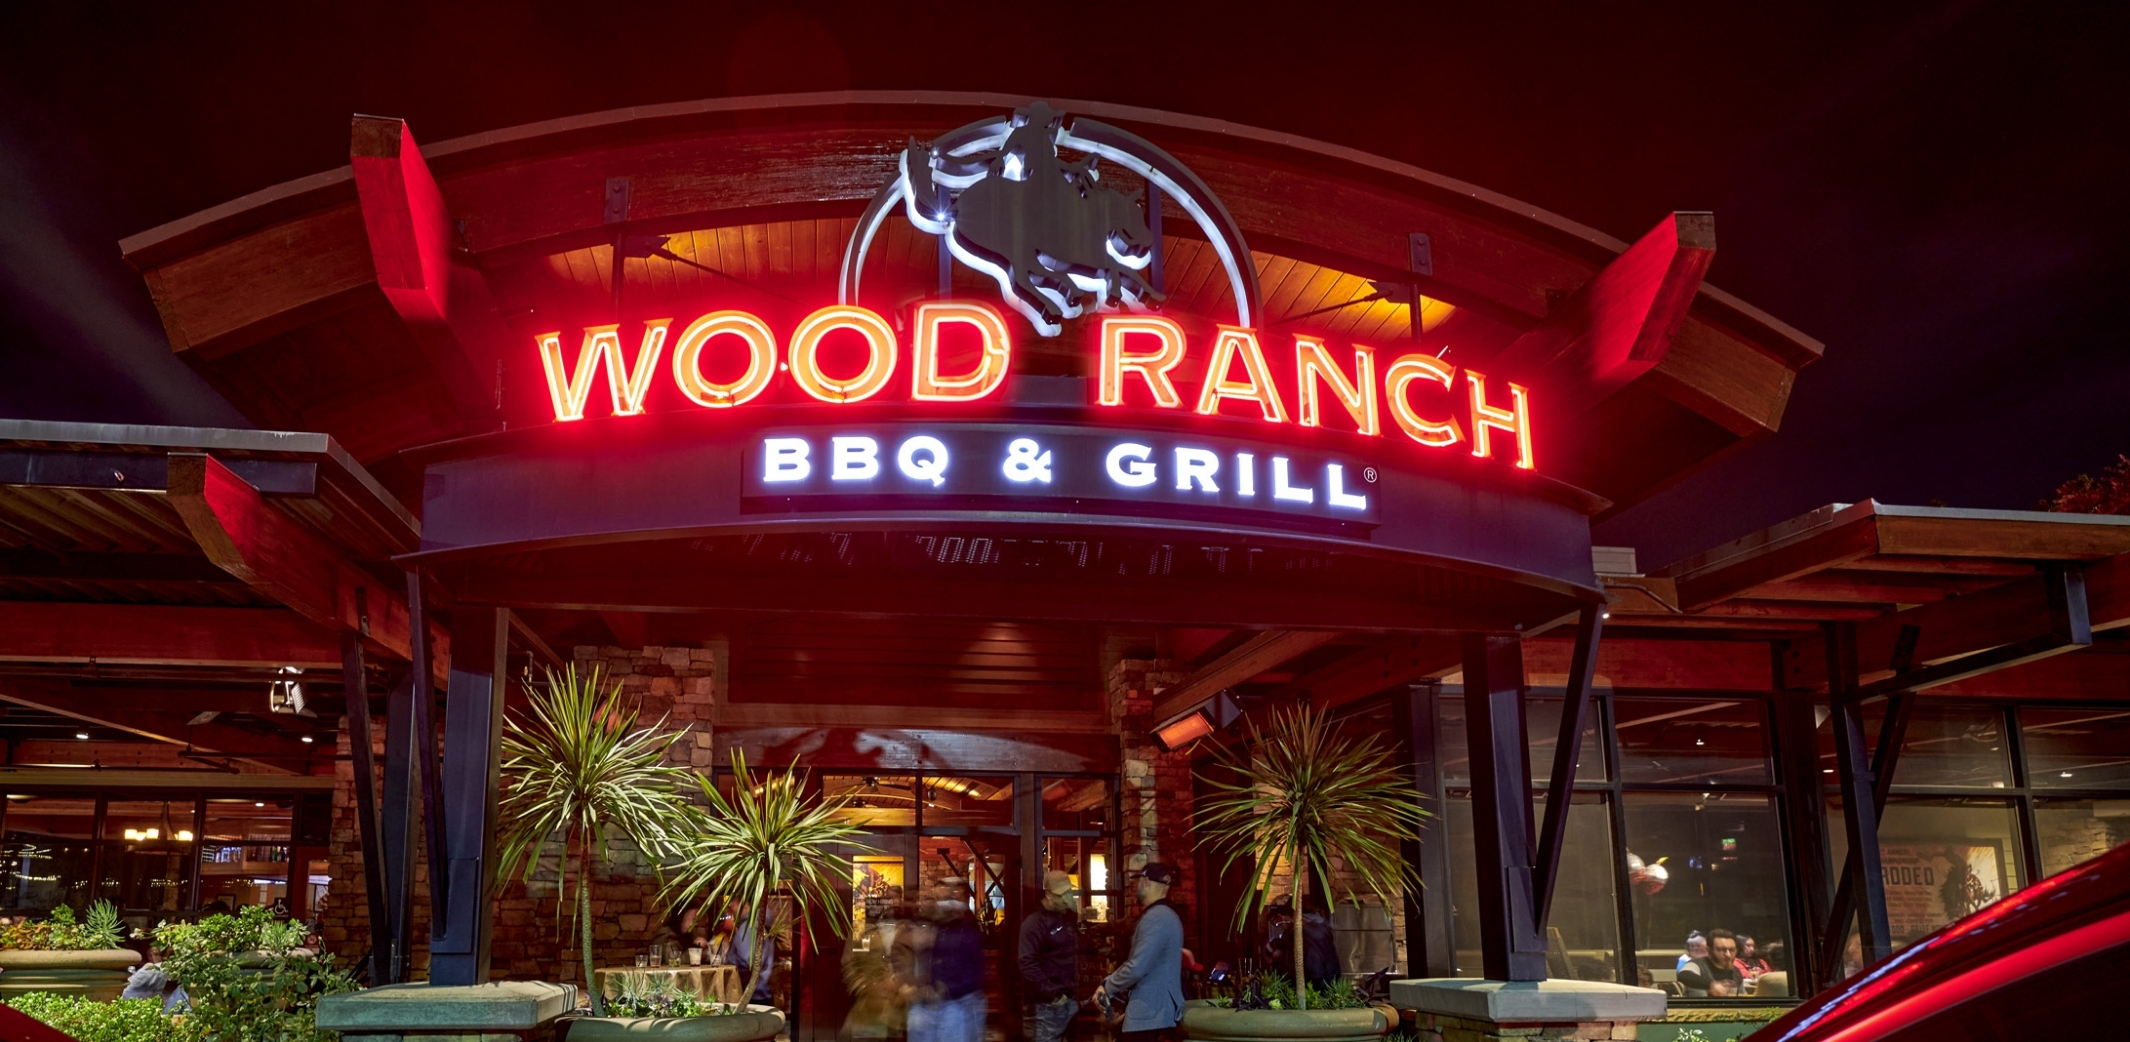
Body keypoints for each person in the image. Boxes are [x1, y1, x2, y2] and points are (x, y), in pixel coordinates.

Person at [1095, 862, 1185, 1042]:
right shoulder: (1165, 915)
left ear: (1145, 881)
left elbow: (1137, 967)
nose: (1136, 887)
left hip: (1149, 1016)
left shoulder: (1157, 917)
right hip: (1154, 1015)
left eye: (1138, 882)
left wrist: (1107, 986)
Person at [907, 878, 985, 1042]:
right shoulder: (929, 928)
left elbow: (972, 972)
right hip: (928, 1003)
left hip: (955, 1003)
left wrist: (944, 988)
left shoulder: (965, 931)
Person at [1019, 871, 1081, 1042]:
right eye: (1062, 895)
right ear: (1048, 895)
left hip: (1066, 998)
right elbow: (1027, 962)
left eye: (1069, 893)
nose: (1066, 899)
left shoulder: (1065, 917)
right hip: (1046, 1004)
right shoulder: (1034, 923)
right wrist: (1053, 994)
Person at [1265, 894, 1338, 990]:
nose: (1280, 927)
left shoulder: (1304, 933)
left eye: (1276, 923)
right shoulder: (1318, 925)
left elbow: (1314, 970)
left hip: (1316, 994)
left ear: (1280, 917)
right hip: (1327, 990)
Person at [1678, 928, 1745, 997]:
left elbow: (1743, 997)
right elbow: (1684, 975)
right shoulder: (1698, 964)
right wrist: (1712, 985)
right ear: (1709, 950)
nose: (1728, 955)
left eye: (1731, 950)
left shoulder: (1735, 971)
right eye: (1721, 950)